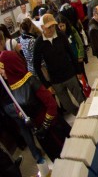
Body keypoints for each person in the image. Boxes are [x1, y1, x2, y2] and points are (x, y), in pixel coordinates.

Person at [0, 31, 71, 163]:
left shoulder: (30, 81)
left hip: (52, 128)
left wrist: (45, 125)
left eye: (2, 70)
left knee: (67, 156)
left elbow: (51, 104)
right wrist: (23, 116)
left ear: (10, 67)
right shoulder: (12, 87)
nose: (2, 74)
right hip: (40, 132)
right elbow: (19, 107)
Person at [33, 13, 85, 115]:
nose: (52, 29)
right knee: (67, 105)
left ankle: (86, 115)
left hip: (69, 75)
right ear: (42, 27)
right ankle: (79, 115)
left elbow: (71, 53)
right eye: (49, 27)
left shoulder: (61, 35)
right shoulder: (39, 43)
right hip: (56, 81)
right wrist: (46, 85)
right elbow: (36, 65)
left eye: (53, 26)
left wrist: (78, 71)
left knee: (81, 98)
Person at [55, 15, 88, 84]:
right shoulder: (57, 35)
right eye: (60, 26)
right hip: (69, 62)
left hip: (77, 58)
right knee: (76, 80)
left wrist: (81, 55)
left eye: (63, 25)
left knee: (83, 76)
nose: (62, 28)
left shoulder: (72, 29)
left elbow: (79, 42)